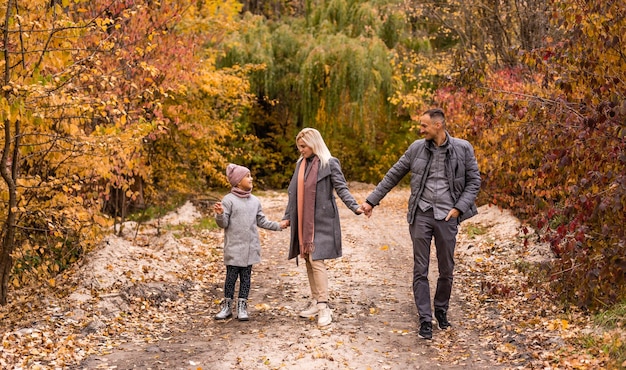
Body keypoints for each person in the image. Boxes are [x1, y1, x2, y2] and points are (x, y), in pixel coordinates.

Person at [361, 108, 481, 340]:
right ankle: (425, 319)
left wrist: (458, 208)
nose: (420, 129)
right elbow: (393, 174)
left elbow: (474, 181)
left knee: (446, 269)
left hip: (448, 216)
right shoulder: (416, 148)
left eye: (424, 125)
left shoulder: (463, 148)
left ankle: (441, 310)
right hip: (422, 214)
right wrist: (371, 201)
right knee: (420, 269)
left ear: (438, 125)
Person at [282, 128, 363, 327]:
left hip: (322, 220)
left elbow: (342, 188)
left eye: (303, 146)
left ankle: (324, 306)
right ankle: (316, 299)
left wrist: (355, 206)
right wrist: (287, 216)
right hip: (303, 220)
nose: (300, 150)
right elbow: (293, 193)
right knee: (309, 260)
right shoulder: (300, 165)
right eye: (298, 147)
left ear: (314, 143)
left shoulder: (329, 163)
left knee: (316, 260)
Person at [214, 163, 289, 321]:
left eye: (250, 175)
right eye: (247, 176)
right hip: (234, 248)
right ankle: (227, 306)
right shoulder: (228, 200)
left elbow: (262, 221)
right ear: (238, 181)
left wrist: (278, 225)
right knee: (231, 278)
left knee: (246, 278)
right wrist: (220, 214)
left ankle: (242, 307)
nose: (251, 178)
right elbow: (224, 224)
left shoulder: (254, 201)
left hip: (250, 248)